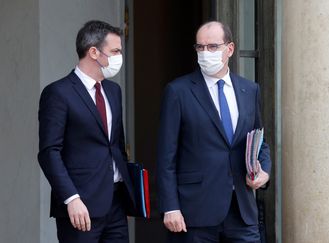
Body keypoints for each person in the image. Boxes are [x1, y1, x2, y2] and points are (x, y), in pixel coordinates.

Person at [157, 21, 272, 243]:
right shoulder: (178, 91)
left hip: (241, 211)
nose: (205, 53)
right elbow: (166, 156)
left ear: (229, 49)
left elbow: (259, 140)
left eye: (212, 47)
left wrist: (264, 172)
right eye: (200, 47)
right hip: (195, 212)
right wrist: (170, 207)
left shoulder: (249, 90)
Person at [38, 20, 134, 243]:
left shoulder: (113, 91)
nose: (120, 56)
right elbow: (49, 152)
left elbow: (117, 145)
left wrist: (128, 193)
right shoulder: (58, 93)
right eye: (115, 51)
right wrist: (71, 198)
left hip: (116, 204)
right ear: (93, 52)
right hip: (80, 206)